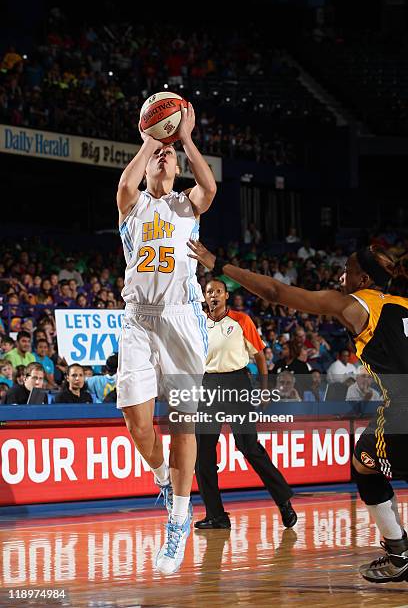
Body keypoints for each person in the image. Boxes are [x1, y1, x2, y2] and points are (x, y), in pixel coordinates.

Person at [187, 239, 408, 583]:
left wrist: (219, 266)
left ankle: (399, 553)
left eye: (348, 271)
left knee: (365, 463)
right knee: (363, 458)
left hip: (403, 407)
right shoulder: (403, 303)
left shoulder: (355, 304)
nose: (340, 277)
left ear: (363, 280)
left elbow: (276, 292)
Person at [116, 101, 216, 575]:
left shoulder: (186, 205)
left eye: (169, 157)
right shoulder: (133, 203)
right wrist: (152, 138)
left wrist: (186, 138)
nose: (163, 159)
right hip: (138, 318)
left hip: (180, 317)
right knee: (137, 424)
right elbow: (124, 183)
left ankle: (178, 520)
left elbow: (210, 186)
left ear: (177, 169)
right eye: (160, 155)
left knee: (182, 424)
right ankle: (162, 477)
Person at [195, 280, 296, 530]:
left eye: (218, 291)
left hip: (237, 381)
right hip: (208, 385)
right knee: (203, 453)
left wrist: (263, 390)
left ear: (226, 296)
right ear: (205, 297)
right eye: (209, 292)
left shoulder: (242, 320)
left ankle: (283, 500)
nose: (213, 295)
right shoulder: (198, 322)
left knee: (248, 446)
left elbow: (260, 356)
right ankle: (216, 515)